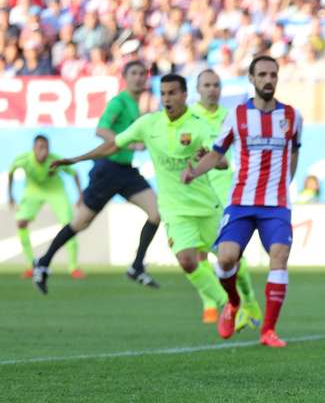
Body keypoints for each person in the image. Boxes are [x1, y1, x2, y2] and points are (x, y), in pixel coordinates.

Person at [49, 74, 230, 323]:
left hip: (207, 205)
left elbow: (221, 161)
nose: (167, 98)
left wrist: (198, 169)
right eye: (163, 93)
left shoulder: (198, 125)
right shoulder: (149, 124)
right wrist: (76, 159)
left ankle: (246, 303)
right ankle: (225, 305)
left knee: (229, 260)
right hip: (174, 209)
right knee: (188, 260)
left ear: (184, 95)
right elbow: (114, 144)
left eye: (173, 93)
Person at [182, 55, 302, 347]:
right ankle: (233, 302)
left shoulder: (292, 116)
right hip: (242, 202)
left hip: (276, 204)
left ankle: (268, 331)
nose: (268, 80)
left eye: (273, 74)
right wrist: (195, 172)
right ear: (251, 78)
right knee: (225, 259)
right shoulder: (236, 116)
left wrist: (284, 184)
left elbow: (295, 152)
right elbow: (216, 151)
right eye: (262, 74)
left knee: (280, 257)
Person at [32, 60, 161, 294]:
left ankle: (136, 266)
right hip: (107, 170)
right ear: (125, 76)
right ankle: (43, 262)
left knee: (155, 213)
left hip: (126, 171)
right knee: (81, 222)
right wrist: (129, 143)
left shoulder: (135, 105)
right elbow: (101, 130)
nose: (140, 78)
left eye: (143, 74)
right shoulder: (120, 102)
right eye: (134, 73)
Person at [189, 69, 261, 328]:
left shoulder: (231, 116)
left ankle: (248, 300)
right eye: (207, 85)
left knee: (230, 252)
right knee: (197, 254)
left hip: (225, 191)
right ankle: (210, 302)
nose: (212, 89)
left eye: (216, 85)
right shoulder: (189, 117)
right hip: (196, 192)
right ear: (198, 89)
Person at [8, 135, 84, 279]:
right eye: (40, 147)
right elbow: (11, 173)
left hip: (56, 191)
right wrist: (10, 195)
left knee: (69, 225)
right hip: (33, 190)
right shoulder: (23, 159)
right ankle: (31, 266)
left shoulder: (55, 160)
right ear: (33, 149)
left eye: (46, 147)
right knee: (21, 222)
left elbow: (75, 173)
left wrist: (80, 194)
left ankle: (73, 267)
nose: (44, 150)